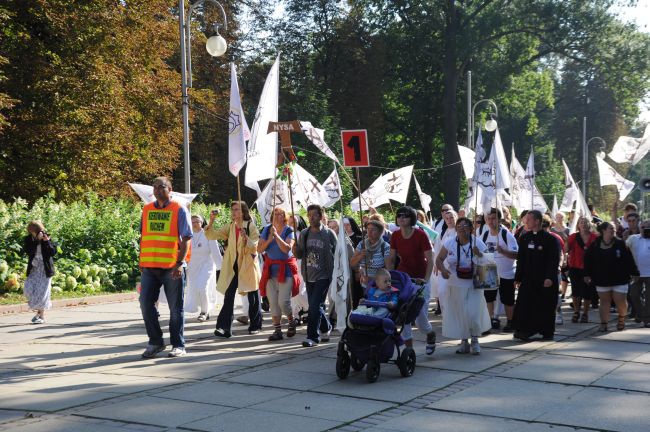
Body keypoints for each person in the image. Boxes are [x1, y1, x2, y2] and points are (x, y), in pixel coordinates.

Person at [139, 177, 192, 358]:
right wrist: (141, 261)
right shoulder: (146, 210)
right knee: (145, 305)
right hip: (149, 267)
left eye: (161, 187)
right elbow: (144, 236)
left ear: (170, 189)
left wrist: (179, 263)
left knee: (175, 309)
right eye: (154, 187)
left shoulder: (179, 209)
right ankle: (155, 342)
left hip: (172, 267)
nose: (157, 190)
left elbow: (186, 238)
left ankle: (178, 345)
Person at [206, 201, 262, 338]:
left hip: (247, 266)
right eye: (232, 210)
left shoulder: (250, 225)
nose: (233, 212)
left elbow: (255, 246)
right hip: (233, 267)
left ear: (243, 212)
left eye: (237, 209)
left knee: (253, 297)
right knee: (229, 295)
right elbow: (213, 235)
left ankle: (255, 325)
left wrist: (246, 237)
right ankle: (224, 328)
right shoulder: (230, 226)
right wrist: (211, 221)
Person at [435, 217, 491, 354]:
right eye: (459, 225)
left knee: (473, 312)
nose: (462, 227)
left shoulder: (477, 242)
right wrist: (443, 270)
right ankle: (464, 341)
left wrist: (480, 254)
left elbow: (489, 261)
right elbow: (439, 259)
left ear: (471, 229)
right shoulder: (450, 242)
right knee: (460, 313)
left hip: (474, 283)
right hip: (455, 282)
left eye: (465, 225)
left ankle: (475, 340)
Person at [388, 206, 437, 355]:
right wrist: (390, 277)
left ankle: (430, 334)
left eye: (405, 215)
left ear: (412, 219)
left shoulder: (420, 235)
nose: (401, 218)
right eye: (399, 215)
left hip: (420, 278)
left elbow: (430, 259)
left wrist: (426, 279)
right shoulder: (395, 235)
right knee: (404, 315)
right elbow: (391, 258)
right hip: (404, 279)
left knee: (421, 318)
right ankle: (409, 350)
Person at [512, 210, 561, 341]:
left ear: (537, 221)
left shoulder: (550, 239)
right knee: (526, 304)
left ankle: (547, 331)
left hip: (544, 279)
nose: (526, 221)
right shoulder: (525, 238)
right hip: (529, 278)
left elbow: (553, 260)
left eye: (529, 219)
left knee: (545, 305)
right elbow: (521, 259)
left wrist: (549, 277)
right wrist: (517, 278)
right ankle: (525, 330)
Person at [293, 204, 337, 347]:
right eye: (309, 215)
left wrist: (336, 273)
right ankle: (326, 327)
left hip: (324, 275)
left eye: (315, 215)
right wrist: (295, 250)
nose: (311, 218)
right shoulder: (305, 234)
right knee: (316, 306)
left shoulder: (329, 234)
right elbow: (299, 255)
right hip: (308, 274)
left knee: (313, 306)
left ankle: (313, 337)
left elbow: (337, 253)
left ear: (321, 216)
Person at [584, 222, 639, 332]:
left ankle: (621, 319)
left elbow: (629, 259)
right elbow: (588, 260)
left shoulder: (620, 244)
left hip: (620, 278)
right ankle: (603, 323)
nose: (614, 230)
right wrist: (586, 274)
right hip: (601, 278)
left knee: (620, 301)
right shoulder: (595, 244)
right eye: (611, 228)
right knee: (604, 301)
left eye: (614, 228)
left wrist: (635, 273)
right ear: (603, 230)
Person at [258, 207, 299, 341]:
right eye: (274, 214)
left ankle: (291, 320)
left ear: (284, 216)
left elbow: (286, 249)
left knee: (283, 302)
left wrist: (276, 236)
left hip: (285, 270)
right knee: (273, 304)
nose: (276, 216)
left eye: (279, 214)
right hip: (271, 271)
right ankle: (277, 331)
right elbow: (259, 249)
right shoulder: (267, 229)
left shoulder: (289, 230)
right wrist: (270, 239)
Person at [481, 208, 519, 332]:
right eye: (488, 219)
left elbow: (516, 254)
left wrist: (503, 251)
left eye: (493, 218)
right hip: (488, 270)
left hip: (506, 273)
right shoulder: (485, 234)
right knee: (488, 298)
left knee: (507, 298)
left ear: (499, 219)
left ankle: (511, 321)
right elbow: (480, 251)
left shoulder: (505, 234)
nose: (491, 222)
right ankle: (490, 320)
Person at [185, 214, 222, 322]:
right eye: (193, 222)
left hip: (207, 265)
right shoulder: (188, 235)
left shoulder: (207, 234)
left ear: (202, 222)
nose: (195, 224)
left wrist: (221, 266)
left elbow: (215, 250)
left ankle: (204, 312)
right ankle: (204, 308)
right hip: (193, 267)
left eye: (197, 221)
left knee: (203, 287)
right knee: (196, 289)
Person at [350, 219, 390, 308]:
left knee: (377, 307)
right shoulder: (362, 244)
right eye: (368, 229)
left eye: (373, 230)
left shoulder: (385, 247)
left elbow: (389, 269)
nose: (369, 232)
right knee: (368, 307)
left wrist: (382, 282)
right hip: (365, 284)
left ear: (380, 232)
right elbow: (352, 263)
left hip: (380, 285)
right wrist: (360, 256)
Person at [23, 221, 56, 324]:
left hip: (45, 270)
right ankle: (38, 312)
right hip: (34, 268)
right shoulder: (29, 239)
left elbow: (53, 252)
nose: (31, 233)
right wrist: (37, 241)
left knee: (42, 293)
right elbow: (28, 251)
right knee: (28, 289)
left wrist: (46, 242)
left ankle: (41, 316)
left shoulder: (47, 237)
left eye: (32, 232)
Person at [566, 216, 597, 323]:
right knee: (576, 291)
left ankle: (585, 313)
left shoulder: (594, 237)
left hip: (589, 269)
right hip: (575, 267)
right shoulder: (573, 237)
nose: (583, 224)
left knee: (587, 292)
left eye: (585, 222)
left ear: (589, 225)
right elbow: (566, 249)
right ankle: (576, 311)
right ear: (578, 225)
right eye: (581, 222)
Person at [626, 220, 650, 327]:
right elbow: (623, 248)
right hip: (636, 274)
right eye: (642, 227)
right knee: (634, 295)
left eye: (647, 227)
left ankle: (646, 319)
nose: (644, 229)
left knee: (649, 298)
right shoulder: (633, 238)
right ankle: (641, 315)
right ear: (640, 228)